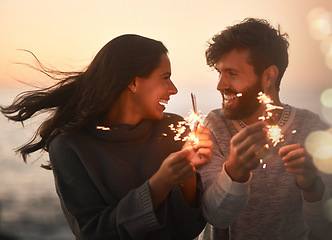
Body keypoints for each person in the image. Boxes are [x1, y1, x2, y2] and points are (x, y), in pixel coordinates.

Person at [1, 34, 212, 239]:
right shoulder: (69, 146)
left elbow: (188, 231)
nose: (173, 89)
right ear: (133, 82)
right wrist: (160, 184)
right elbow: (92, 233)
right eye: (165, 78)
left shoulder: (175, 129)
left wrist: (188, 179)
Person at [198, 18, 332, 239]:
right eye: (219, 73)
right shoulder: (214, 127)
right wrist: (234, 171)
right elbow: (216, 216)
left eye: (232, 74)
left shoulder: (313, 129)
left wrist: (312, 185)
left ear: (269, 76)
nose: (220, 85)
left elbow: (330, 228)